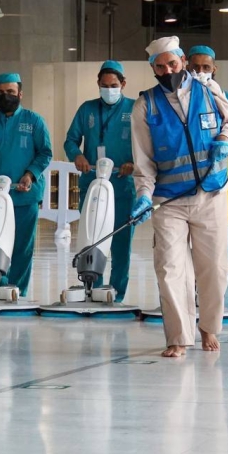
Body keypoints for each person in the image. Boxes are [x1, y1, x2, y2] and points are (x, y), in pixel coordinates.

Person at [131, 36, 228, 358]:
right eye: (160, 67)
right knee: (170, 268)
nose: (168, 71)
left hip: (211, 194)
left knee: (215, 267)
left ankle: (208, 327)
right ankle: (178, 336)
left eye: (172, 64)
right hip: (169, 201)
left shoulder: (209, 91)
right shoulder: (145, 105)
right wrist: (143, 196)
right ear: (153, 69)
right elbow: (143, 160)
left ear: (182, 61)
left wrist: (225, 139)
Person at [0, 73, 52, 297]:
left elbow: (45, 153)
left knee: (22, 246)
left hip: (25, 195)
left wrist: (30, 174)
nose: (5, 96)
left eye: (10, 92)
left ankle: (18, 291)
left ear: (20, 93)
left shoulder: (34, 121)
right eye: (0, 92)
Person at [64, 60, 136, 302]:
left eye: (113, 85)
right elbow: (71, 140)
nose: (109, 90)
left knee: (121, 243)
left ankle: (117, 293)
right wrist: (77, 155)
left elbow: (146, 145)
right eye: (104, 86)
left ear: (123, 84)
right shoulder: (87, 109)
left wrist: (134, 163)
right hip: (92, 184)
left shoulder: (134, 109)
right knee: (92, 237)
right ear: (98, 84)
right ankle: (93, 288)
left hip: (122, 185)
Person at [185, 45, 228, 268]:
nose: (200, 72)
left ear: (214, 69)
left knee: (222, 222)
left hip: (217, 169)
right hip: (185, 174)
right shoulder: (178, 95)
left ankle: (226, 256)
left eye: (206, 67)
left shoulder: (226, 98)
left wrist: (226, 144)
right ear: (186, 66)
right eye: (195, 67)